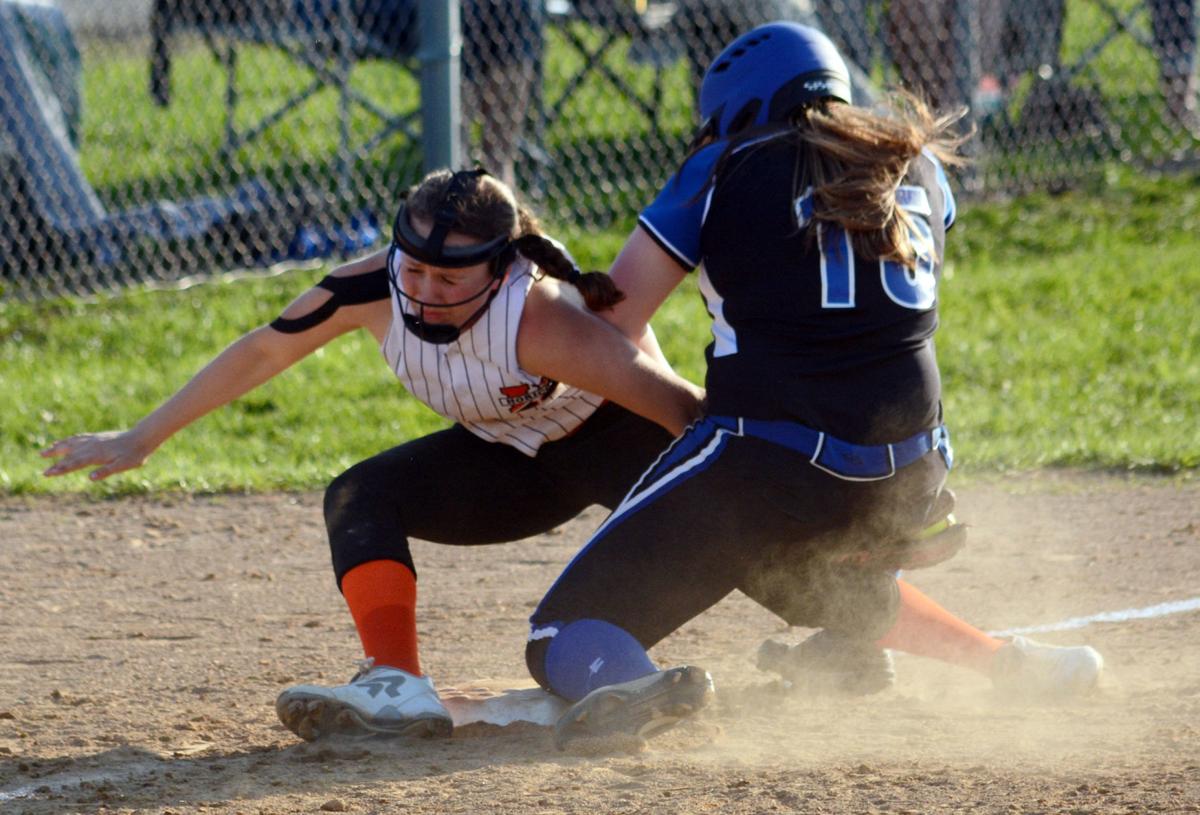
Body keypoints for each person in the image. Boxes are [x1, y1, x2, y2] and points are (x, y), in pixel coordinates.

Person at [523, 22, 1105, 749]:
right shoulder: (915, 163)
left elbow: (614, 316)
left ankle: (635, 685)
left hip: (774, 463)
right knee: (772, 553)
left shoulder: (723, 163)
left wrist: (544, 300)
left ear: (738, 106)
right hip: (914, 476)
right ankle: (1003, 664)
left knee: (558, 633)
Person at [41, 166, 705, 741]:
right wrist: (140, 436)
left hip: (626, 444)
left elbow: (681, 409)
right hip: (511, 462)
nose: (425, 290)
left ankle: (814, 623)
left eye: (451, 278)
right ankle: (397, 680)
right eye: (415, 268)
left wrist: (760, 479)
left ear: (502, 266)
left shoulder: (541, 319)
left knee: (734, 522)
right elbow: (266, 349)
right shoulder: (369, 289)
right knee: (361, 494)